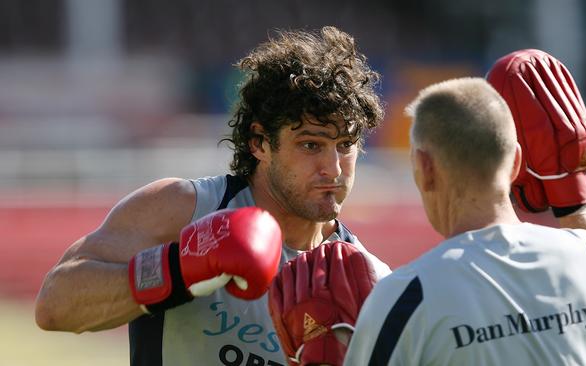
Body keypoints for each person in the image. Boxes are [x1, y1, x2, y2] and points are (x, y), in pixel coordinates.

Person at [34, 26, 391, 366]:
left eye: (345, 145)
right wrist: (180, 268)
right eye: (310, 144)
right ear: (260, 142)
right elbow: (55, 305)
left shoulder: (368, 277)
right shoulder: (184, 208)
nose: (333, 168)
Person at [343, 75, 586, 364]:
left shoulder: (406, 296)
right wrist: (578, 208)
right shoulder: (585, 252)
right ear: (516, 161)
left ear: (425, 167)